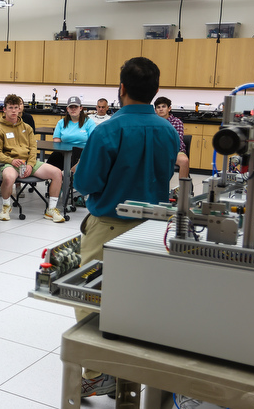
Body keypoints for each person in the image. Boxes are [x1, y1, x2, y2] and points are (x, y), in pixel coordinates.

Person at [73, 57, 179, 398]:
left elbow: (87, 182)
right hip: (153, 231)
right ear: (156, 92)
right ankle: (131, 371)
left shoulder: (107, 129)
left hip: (109, 227)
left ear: (121, 89)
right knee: (139, 301)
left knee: (91, 297)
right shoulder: (168, 131)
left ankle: (97, 372)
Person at [0, 94, 65, 223]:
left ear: (20, 108)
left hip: (28, 163)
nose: (14, 111)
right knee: (8, 177)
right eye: (10, 108)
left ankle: (51, 210)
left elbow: (33, 149)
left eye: (16, 107)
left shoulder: (27, 128)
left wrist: (31, 164)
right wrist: (11, 161)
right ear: (4, 109)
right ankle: (6, 207)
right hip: (10, 163)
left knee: (57, 173)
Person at [47, 96, 96, 172]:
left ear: (80, 108)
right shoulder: (61, 122)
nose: (73, 109)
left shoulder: (89, 122)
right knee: (52, 161)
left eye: (75, 107)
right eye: (71, 107)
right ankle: (53, 179)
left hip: (83, 154)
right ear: (67, 109)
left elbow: (93, 141)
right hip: (64, 153)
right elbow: (56, 140)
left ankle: (70, 180)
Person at [155, 96, 190, 179]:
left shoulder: (176, 122)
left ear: (169, 108)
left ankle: (183, 189)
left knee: (184, 161)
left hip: (174, 151)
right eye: (158, 107)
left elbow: (177, 140)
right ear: (155, 110)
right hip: (157, 151)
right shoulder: (153, 122)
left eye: (163, 106)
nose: (161, 109)